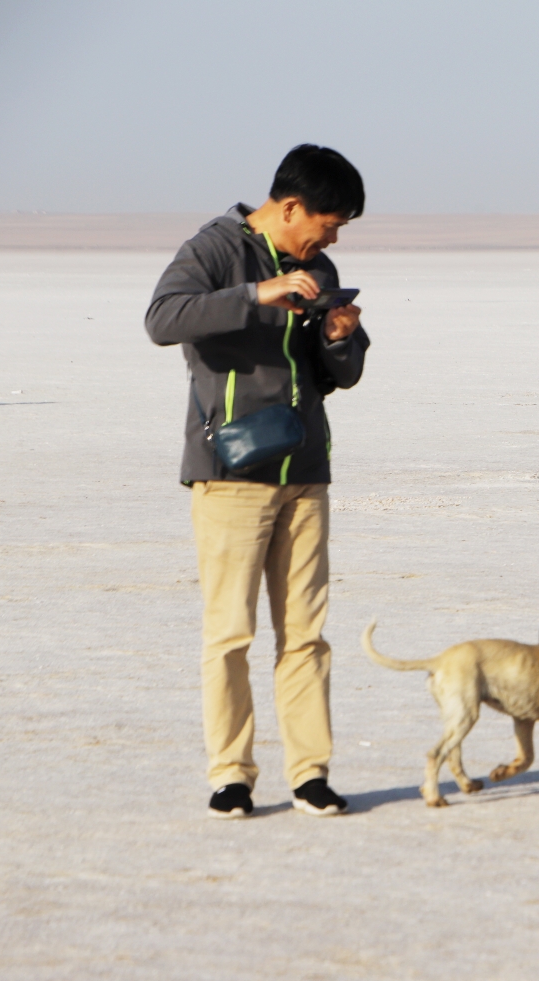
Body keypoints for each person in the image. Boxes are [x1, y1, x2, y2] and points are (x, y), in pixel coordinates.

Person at [145, 144, 370, 818]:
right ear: (291, 205)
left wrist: (340, 337)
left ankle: (310, 774)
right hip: (233, 471)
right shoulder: (214, 249)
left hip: (304, 470)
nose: (331, 239)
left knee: (306, 633)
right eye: (328, 223)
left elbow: (343, 374)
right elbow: (163, 319)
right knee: (231, 633)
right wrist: (256, 294)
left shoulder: (319, 267)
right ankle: (232, 776)